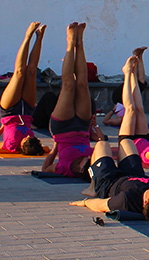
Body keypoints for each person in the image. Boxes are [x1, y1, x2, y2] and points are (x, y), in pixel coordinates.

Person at [70, 140, 149, 222]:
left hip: (109, 180)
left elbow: (100, 205)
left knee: (102, 144)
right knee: (127, 142)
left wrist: (84, 202)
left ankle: (93, 187)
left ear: (145, 201)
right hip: (135, 174)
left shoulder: (126, 200)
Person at [41, 22, 95, 178]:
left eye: (87, 163)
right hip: (83, 128)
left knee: (69, 85)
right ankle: (80, 42)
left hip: (62, 130)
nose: (89, 159)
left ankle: (70, 43)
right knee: (83, 84)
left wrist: (54, 149)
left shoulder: (64, 168)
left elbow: (45, 169)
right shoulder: (92, 160)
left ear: (79, 169)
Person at [0, 23, 47, 155]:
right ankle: (39, 38)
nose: (28, 137)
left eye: (26, 140)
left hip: (9, 112)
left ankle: (28, 37)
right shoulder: (33, 144)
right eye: (31, 138)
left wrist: (1, 128)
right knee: (31, 72)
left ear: (22, 146)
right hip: (28, 111)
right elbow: (47, 149)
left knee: (19, 73)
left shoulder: (11, 145)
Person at [103, 47, 148, 127]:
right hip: (125, 99)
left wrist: (112, 111)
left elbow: (105, 121)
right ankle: (139, 56)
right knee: (141, 81)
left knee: (137, 80)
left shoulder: (121, 120)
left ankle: (135, 57)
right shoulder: (133, 117)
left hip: (120, 98)